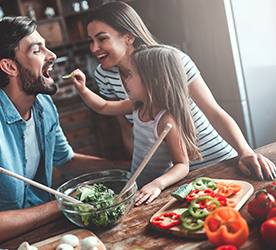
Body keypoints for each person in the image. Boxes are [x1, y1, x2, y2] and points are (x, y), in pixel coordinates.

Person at [0, 16, 130, 250]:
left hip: (41, 235)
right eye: (37, 50)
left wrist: (131, 168)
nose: (51, 55)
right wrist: (62, 203)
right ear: (10, 66)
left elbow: (66, 161)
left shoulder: (43, 104)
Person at [86, 1, 275, 180]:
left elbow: (214, 113)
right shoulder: (104, 75)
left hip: (216, 161)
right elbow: (128, 132)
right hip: (171, 178)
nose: (94, 48)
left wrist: (245, 152)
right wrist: (140, 176)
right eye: (91, 40)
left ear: (128, 36)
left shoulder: (173, 60)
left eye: (102, 38)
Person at [70, 44, 202, 205]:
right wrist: (83, 90)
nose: (126, 80)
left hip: (155, 194)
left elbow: (182, 165)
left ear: (152, 83)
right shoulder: (137, 106)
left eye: (131, 75)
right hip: (138, 187)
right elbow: (103, 106)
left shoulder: (165, 121)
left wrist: (156, 185)